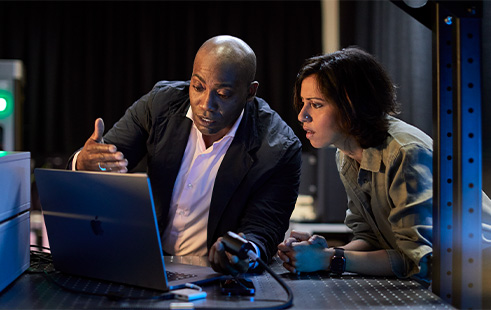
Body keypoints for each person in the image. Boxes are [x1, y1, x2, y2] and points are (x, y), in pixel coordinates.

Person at [68, 35, 302, 275]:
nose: (205, 104)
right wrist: (84, 162)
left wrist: (245, 251)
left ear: (250, 92)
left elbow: (263, 230)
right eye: (198, 87)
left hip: (215, 276)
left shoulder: (278, 148)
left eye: (222, 94)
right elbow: (106, 159)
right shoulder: (160, 104)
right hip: (146, 263)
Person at [277, 47, 434, 286]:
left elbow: (418, 261)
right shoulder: (346, 154)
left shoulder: (405, 152)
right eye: (303, 103)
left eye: (316, 104)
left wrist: (331, 259)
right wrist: (320, 254)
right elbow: (370, 238)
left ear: (351, 105)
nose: (302, 115)